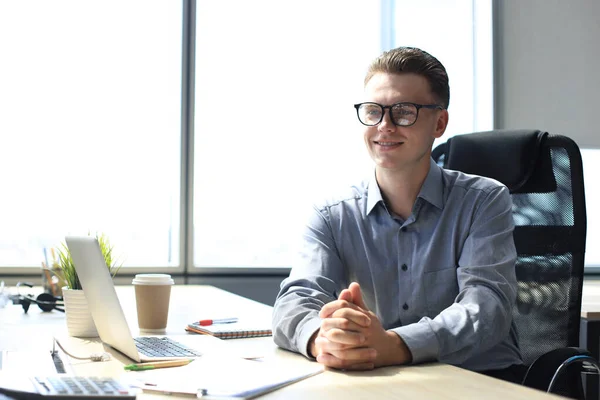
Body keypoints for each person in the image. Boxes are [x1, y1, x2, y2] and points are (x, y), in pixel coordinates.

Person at [272, 46, 525, 383]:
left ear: (440, 122)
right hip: (384, 380)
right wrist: (325, 339)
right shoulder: (332, 214)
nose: (385, 126)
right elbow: (295, 301)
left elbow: (486, 310)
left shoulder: (484, 200)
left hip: (482, 379)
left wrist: (394, 345)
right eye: (374, 111)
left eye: (404, 112)